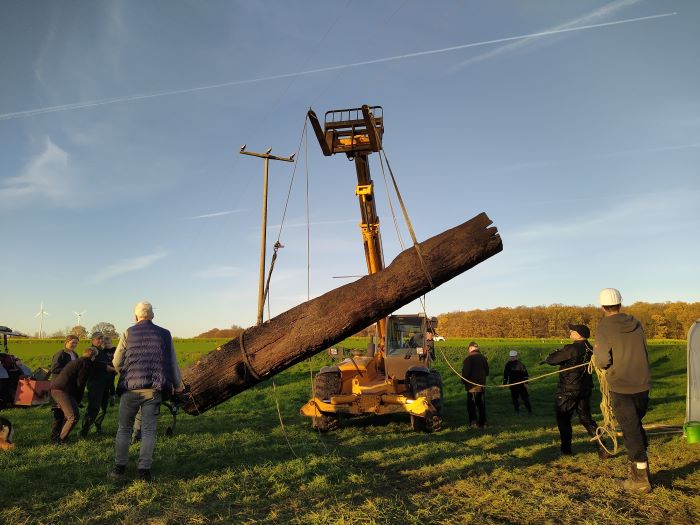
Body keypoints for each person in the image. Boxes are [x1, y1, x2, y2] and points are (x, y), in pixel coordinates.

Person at [109, 301, 184, 482]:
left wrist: (126, 374)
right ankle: (144, 470)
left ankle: (119, 468)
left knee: (124, 429)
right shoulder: (165, 334)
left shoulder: (128, 332)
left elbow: (116, 361)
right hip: (154, 389)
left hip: (129, 389)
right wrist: (178, 385)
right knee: (149, 430)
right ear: (152, 316)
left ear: (136, 317)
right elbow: (172, 362)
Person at [593, 288, 652, 493]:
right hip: (643, 384)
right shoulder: (636, 323)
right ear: (620, 303)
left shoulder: (604, 327)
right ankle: (641, 468)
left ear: (602, 307)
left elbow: (602, 360)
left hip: (621, 386)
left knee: (631, 430)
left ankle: (640, 480)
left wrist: (602, 366)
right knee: (636, 425)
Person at [544, 323, 608, 458]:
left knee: (563, 419)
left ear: (578, 335)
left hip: (568, 389)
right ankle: (602, 447)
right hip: (585, 389)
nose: (570, 332)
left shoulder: (571, 348)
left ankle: (566, 450)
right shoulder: (590, 348)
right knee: (586, 418)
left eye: (572, 331)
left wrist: (552, 355)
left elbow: (552, 360)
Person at [50, 347, 97, 444]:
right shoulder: (85, 364)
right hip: (63, 391)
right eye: (95, 357)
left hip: (56, 389)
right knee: (73, 416)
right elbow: (81, 383)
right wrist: (78, 400)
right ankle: (60, 440)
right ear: (93, 356)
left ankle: (59, 437)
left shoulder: (77, 361)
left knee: (65, 415)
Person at [81, 332, 115, 436]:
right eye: (98, 339)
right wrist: (106, 368)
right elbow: (91, 363)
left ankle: (97, 428)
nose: (100, 341)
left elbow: (109, 361)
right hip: (95, 383)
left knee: (103, 409)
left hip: (105, 383)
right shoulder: (91, 350)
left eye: (102, 339)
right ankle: (84, 431)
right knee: (93, 408)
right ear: (93, 340)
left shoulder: (102, 350)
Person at [49, 335, 80, 443]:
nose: (74, 345)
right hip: (58, 386)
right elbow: (54, 368)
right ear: (66, 342)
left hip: (69, 387)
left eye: (76, 343)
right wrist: (70, 370)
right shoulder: (60, 354)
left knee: (67, 413)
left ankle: (62, 435)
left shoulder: (75, 354)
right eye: (72, 342)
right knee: (58, 413)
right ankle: (55, 436)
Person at [461, 342, 489, 428]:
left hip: (471, 387)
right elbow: (487, 372)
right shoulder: (483, 358)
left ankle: (473, 423)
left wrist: (463, 380)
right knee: (481, 404)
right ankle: (483, 423)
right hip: (481, 386)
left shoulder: (468, 358)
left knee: (471, 404)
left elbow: (466, 373)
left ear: (470, 348)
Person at [503, 350, 531, 414]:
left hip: (521, 384)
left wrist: (526, 383)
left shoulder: (521, 364)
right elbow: (505, 375)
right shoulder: (508, 365)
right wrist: (505, 383)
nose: (512, 358)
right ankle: (517, 411)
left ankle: (529, 410)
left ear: (516, 356)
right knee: (514, 398)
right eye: (511, 357)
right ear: (510, 357)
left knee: (525, 398)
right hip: (513, 384)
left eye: (513, 357)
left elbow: (525, 374)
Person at [103, 336, 118, 406]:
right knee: (106, 384)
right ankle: (106, 397)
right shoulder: (103, 351)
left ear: (111, 343)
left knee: (111, 383)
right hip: (105, 369)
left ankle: (112, 396)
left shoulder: (115, 350)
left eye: (108, 343)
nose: (107, 345)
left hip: (113, 369)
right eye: (105, 343)